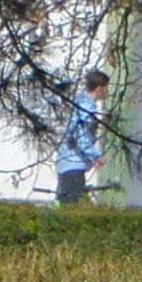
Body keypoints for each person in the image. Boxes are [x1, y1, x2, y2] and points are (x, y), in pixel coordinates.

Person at [58, 68, 111, 206]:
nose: (106, 92)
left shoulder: (79, 103)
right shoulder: (87, 108)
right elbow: (81, 137)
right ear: (99, 88)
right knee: (71, 207)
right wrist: (96, 156)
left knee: (65, 203)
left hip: (67, 163)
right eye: (106, 88)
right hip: (74, 166)